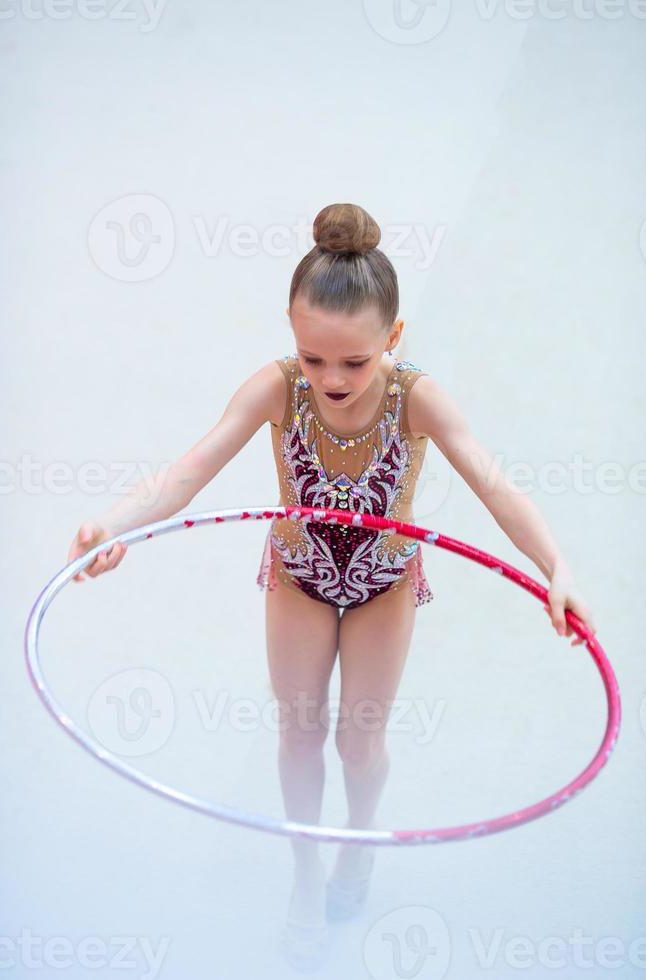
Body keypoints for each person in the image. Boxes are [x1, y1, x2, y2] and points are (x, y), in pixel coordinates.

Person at [68, 202, 597, 970]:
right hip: (299, 577)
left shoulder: (415, 397)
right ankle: (307, 876)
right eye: (313, 358)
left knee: (359, 742)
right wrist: (113, 526)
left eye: (354, 362)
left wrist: (559, 568)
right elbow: (188, 470)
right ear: (293, 336)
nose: (331, 379)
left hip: (384, 583)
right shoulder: (277, 388)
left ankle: (360, 842)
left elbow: (495, 484)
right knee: (301, 732)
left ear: (393, 338)